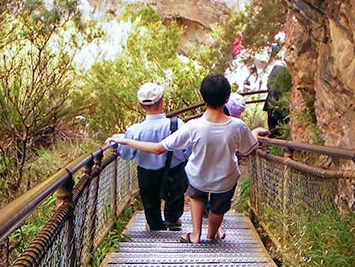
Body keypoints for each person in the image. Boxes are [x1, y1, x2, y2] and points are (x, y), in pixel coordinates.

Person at [108, 75, 269, 244]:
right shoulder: (238, 126)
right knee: (218, 208)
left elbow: (158, 148)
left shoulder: (193, 126)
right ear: (227, 98)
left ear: (202, 97)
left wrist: (125, 140)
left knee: (196, 196)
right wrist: (256, 133)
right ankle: (211, 235)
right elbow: (250, 149)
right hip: (225, 179)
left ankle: (195, 235)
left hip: (198, 175)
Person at [113, 82, 188, 231]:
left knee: (150, 202)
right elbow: (187, 150)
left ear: (140, 105)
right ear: (162, 101)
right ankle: (172, 219)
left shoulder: (135, 131)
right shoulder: (177, 124)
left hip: (147, 173)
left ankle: (155, 226)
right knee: (175, 197)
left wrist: (118, 148)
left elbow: (127, 155)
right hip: (174, 170)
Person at [263, 62, 292, 138]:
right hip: (281, 106)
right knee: (280, 128)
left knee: (272, 127)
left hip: (271, 102)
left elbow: (268, 85)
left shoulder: (275, 71)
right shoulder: (285, 74)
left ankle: (272, 142)